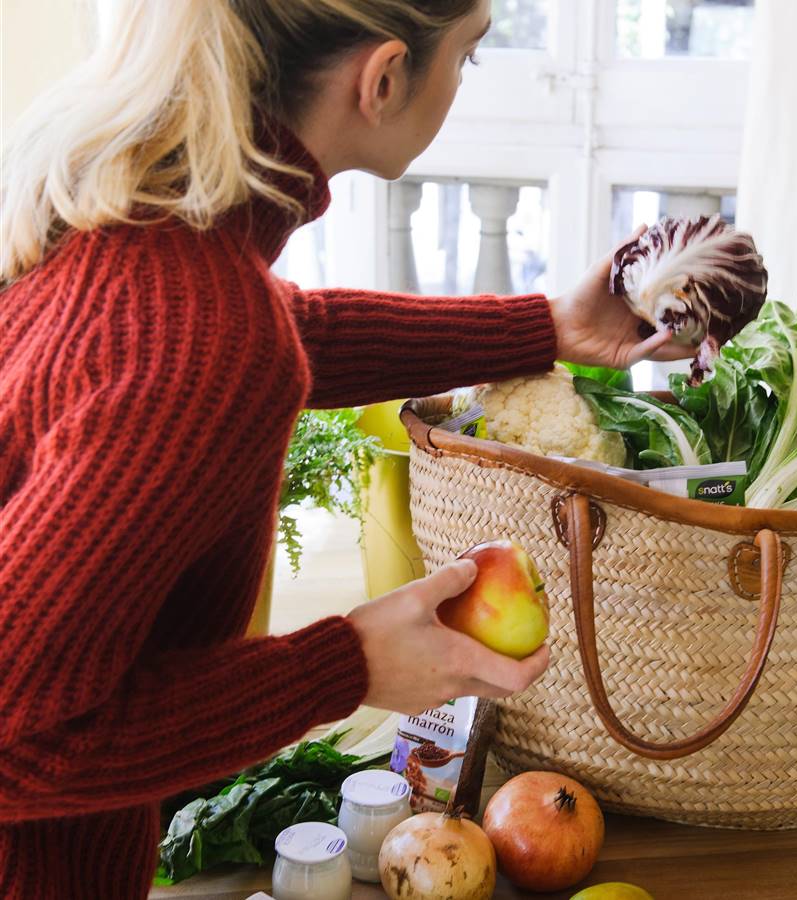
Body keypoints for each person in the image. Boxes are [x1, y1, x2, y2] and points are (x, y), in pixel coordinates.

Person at [0, 1, 689, 897]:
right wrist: (348, 664)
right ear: (386, 77)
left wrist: (546, 327)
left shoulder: (136, 216)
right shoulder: (205, 329)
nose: (461, 84)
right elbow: (15, 734)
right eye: (468, 58)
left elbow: (287, 334)